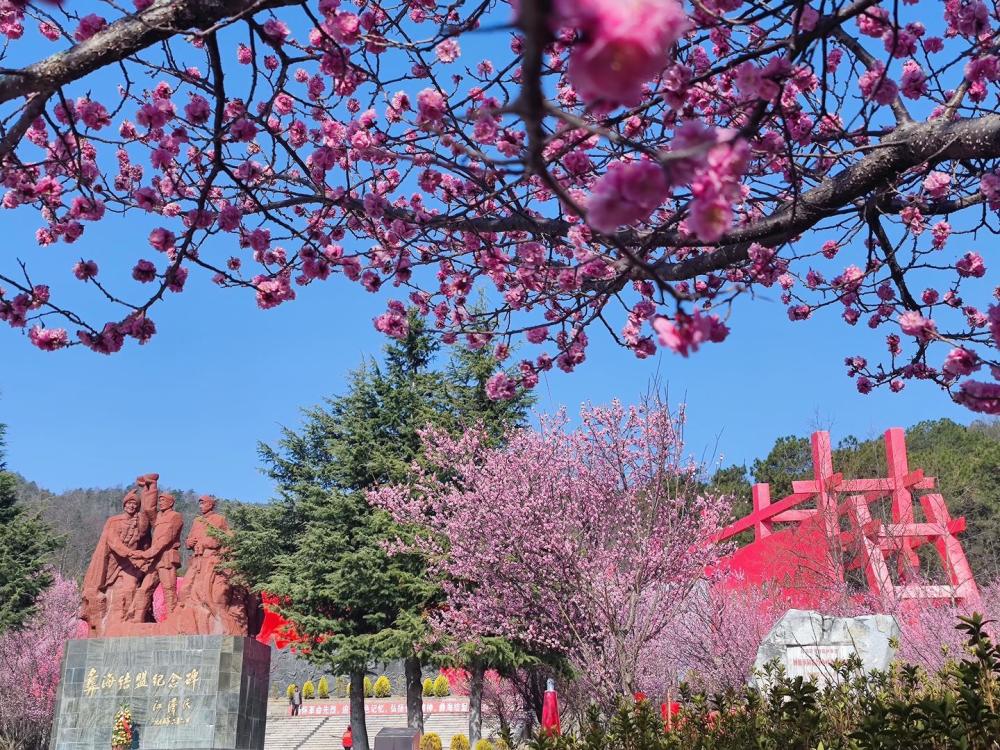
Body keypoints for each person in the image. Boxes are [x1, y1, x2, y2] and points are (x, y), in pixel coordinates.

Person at [80, 490, 147, 635]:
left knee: (130, 587)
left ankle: (127, 621)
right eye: (129, 503)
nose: (132, 506)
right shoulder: (114, 521)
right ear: (124, 505)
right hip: (112, 562)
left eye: (135, 504)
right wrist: (128, 552)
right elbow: (113, 541)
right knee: (105, 589)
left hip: (129, 564)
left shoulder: (140, 523)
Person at [129, 491, 184, 621]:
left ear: (171, 503)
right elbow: (149, 508)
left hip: (167, 558)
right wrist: (150, 487)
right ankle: (138, 618)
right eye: (160, 500)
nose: (161, 502)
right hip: (155, 560)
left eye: (163, 500)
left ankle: (171, 619)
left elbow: (166, 539)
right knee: (144, 589)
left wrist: (146, 554)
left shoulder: (175, 516)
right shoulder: (159, 516)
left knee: (169, 590)